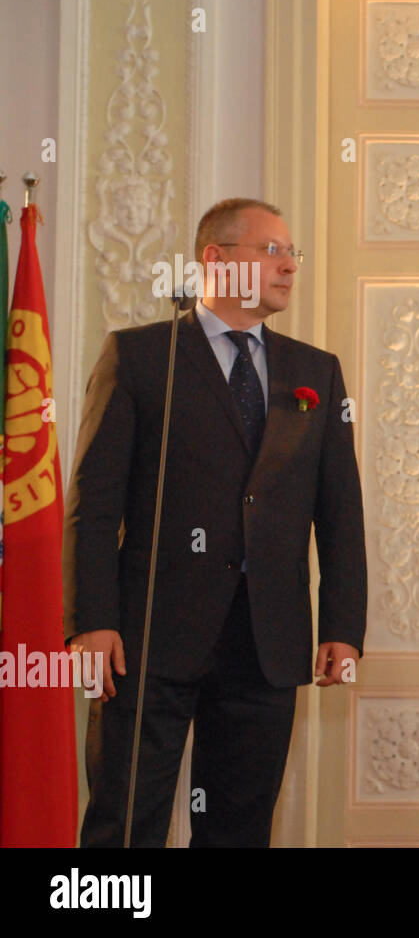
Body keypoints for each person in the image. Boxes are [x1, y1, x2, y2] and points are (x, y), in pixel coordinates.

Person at [64, 198, 366, 847]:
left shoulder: (315, 372)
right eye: (272, 250)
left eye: (294, 254)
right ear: (216, 259)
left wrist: (344, 626)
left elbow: (340, 510)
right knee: (125, 823)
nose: (289, 266)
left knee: (240, 828)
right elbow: (95, 502)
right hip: (148, 636)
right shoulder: (142, 356)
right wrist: (92, 620)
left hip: (267, 641)